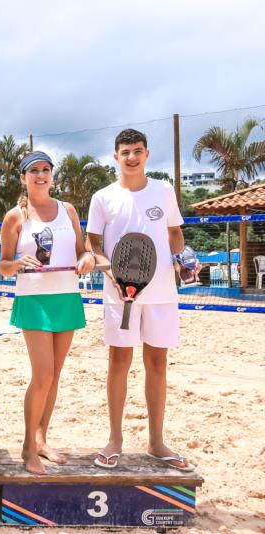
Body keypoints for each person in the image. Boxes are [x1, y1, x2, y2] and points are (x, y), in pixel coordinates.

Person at [87, 129, 194, 471]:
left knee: (157, 364)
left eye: (137, 151)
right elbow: (93, 243)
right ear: (115, 157)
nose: (131, 157)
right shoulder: (103, 197)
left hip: (161, 292)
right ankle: (115, 440)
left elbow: (175, 234)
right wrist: (112, 276)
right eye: (125, 152)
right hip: (120, 294)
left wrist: (184, 257)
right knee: (119, 362)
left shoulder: (163, 190)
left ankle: (156, 442)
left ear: (147, 154)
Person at [0, 150, 94, 474]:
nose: (40, 175)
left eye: (45, 170)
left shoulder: (68, 210)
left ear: (52, 175)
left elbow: (82, 251)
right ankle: (28, 448)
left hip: (66, 296)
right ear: (23, 177)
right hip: (34, 300)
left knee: (54, 376)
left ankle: (41, 439)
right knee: (43, 376)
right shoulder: (15, 216)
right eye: (34, 170)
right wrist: (17, 263)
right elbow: (3, 266)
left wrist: (87, 258)